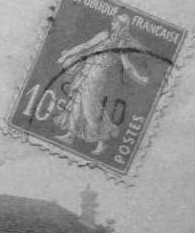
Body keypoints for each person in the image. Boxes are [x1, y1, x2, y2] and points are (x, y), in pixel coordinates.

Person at [52, 12, 151, 156]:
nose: (113, 24)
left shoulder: (121, 44)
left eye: (116, 23)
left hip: (97, 77)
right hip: (86, 71)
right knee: (77, 103)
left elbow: (127, 66)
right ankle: (70, 135)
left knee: (90, 109)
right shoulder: (103, 35)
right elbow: (85, 46)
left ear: (122, 27)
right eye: (113, 22)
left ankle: (102, 141)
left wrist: (139, 78)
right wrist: (67, 55)